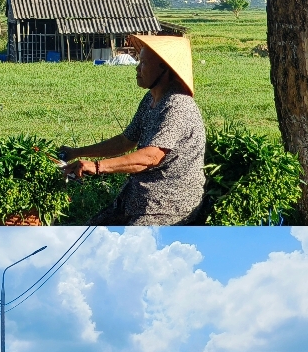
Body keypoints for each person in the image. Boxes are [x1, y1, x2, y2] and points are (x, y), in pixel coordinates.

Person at [59, 34, 206, 226]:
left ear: (165, 68)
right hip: (137, 198)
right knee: (88, 237)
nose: (137, 68)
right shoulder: (150, 100)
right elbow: (126, 141)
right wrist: (76, 153)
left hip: (166, 206)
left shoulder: (177, 105)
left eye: (144, 63)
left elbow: (151, 157)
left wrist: (97, 167)